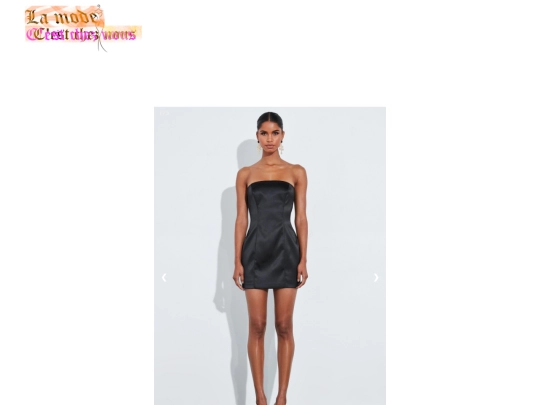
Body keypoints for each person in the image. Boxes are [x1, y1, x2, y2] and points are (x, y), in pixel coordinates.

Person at [233, 112, 308, 405]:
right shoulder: (246, 174)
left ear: (282, 135)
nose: (269, 139)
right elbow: (241, 220)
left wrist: (303, 259)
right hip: (254, 253)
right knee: (257, 326)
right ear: (257, 136)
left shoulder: (296, 172)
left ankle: (282, 397)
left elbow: (301, 219)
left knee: (284, 326)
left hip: (287, 251)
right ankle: (260, 398)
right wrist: (237, 261)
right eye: (264, 133)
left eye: (275, 133)